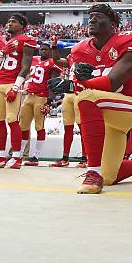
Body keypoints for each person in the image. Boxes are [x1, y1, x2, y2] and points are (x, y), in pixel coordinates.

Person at [48, 3, 132, 193]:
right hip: (106, 115)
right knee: (110, 177)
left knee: (86, 97)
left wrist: (75, 85)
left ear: (113, 24)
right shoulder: (80, 50)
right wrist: (71, 83)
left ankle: (92, 172)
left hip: (130, 106)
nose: (92, 19)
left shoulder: (130, 40)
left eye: (98, 16)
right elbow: (78, 84)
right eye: (90, 16)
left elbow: (113, 82)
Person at [0, 13, 37, 169]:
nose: (9, 23)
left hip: (13, 82)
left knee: (12, 119)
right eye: (8, 21)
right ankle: (0, 157)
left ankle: (16, 157)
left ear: (22, 25)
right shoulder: (0, 41)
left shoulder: (26, 40)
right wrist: (2, 52)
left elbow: (26, 67)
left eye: (13, 21)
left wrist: (15, 87)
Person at [20, 42, 61, 166]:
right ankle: (20, 154)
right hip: (29, 96)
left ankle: (36, 156)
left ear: (49, 51)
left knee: (39, 126)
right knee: (23, 125)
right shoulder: (34, 60)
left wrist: (49, 101)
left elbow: (53, 84)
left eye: (45, 50)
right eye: (41, 49)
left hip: (41, 97)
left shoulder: (52, 63)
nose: (43, 51)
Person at [49, 38, 86, 167]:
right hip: (69, 94)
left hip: (81, 93)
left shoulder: (88, 56)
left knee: (83, 128)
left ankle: (85, 158)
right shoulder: (72, 57)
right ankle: (65, 158)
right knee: (68, 128)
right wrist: (54, 47)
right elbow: (57, 61)